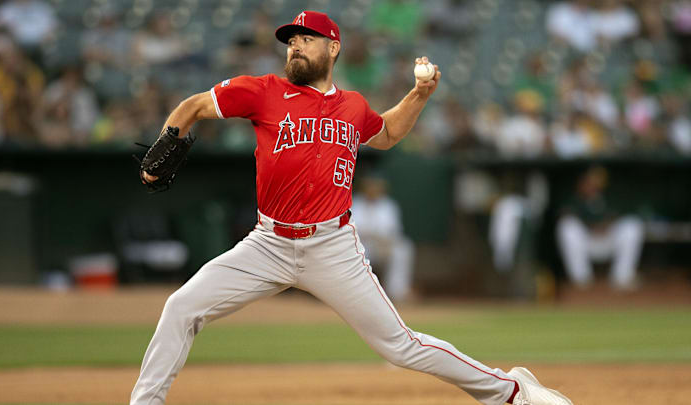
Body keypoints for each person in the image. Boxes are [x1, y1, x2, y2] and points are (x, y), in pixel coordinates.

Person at [131, 11, 573, 405]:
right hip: (267, 243)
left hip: (332, 246)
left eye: (306, 38)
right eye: (291, 40)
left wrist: (419, 94)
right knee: (181, 306)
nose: (295, 45)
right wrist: (161, 149)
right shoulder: (264, 91)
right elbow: (195, 106)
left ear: (333, 47)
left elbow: (387, 134)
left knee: (400, 346)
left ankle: (511, 391)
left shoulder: (353, 106)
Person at [556, 166, 644, 291]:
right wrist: (592, 226)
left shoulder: (611, 196)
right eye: (588, 181)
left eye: (594, 182)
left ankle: (622, 278)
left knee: (632, 225)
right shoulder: (574, 200)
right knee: (567, 226)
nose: (591, 185)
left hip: (608, 239)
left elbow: (621, 215)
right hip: (586, 241)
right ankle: (581, 280)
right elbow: (566, 214)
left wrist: (606, 225)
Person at [351, 175, 415, 302]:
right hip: (362, 245)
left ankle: (397, 292)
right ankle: (356, 294)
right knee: (354, 253)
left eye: (376, 187)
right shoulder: (355, 203)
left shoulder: (388, 205)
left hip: (382, 244)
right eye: (370, 187)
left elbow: (393, 231)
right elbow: (354, 229)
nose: (373, 190)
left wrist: (382, 240)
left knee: (403, 249)